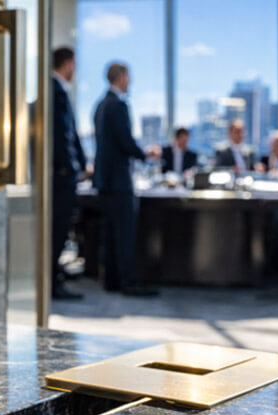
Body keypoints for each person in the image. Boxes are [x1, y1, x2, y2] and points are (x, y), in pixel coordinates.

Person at [93, 62, 160, 296]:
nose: (130, 82)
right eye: (128, 77)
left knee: (110, 235)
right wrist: (146, 154)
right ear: (121, 78)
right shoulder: (118, 105)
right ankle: (129, 282)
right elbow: (125, 141)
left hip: (104, 181)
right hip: (119, 182)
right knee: (124, 235)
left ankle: (112, 281)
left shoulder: (100, 105)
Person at [50, 47, 87, 300]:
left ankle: (54, 279)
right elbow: (63, 136)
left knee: (61, 230)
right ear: (68, 63)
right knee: (57, 230)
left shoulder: (59, 90)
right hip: (61, 175)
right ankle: (52, 282)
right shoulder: (55, 90)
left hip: (64, 172)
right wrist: (70, 167)